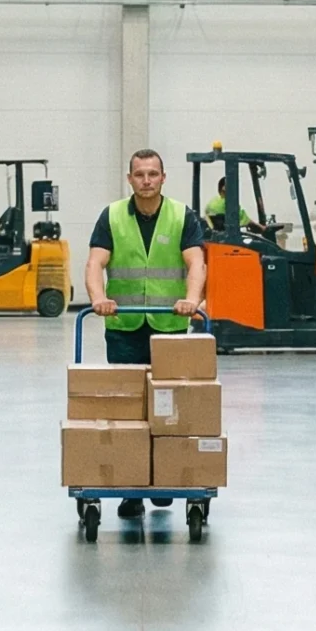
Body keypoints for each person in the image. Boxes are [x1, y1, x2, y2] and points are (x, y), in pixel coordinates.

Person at [85, 149, 208, 518]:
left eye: (153, 174)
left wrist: (191, 300)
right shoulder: (111, 216)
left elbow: (196, 262)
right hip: (124, 326)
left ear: (164, 178)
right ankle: (131, 490)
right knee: (129, 410)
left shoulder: (182, 216)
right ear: (130, 179)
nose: (147, 180)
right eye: (140, 174)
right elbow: (95, 262)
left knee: (170, 408)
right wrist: (98, 298)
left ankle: (168, 475)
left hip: (169, 327)